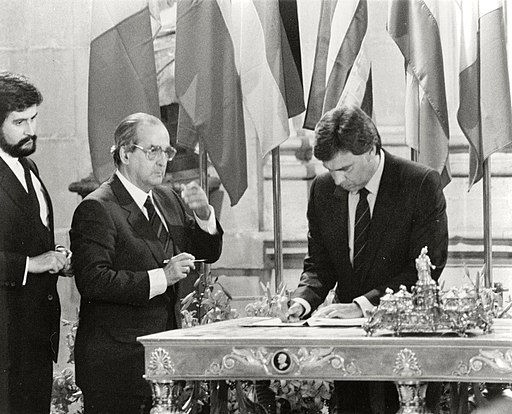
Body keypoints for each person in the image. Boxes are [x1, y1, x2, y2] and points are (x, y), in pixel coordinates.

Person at [287, 105, 448, 414]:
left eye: (345, 168)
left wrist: (361, 305)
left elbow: (426, 269)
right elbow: (319, 266)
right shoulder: (322, 190)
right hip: (349, 353)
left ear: (372, 148)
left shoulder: (420, 183)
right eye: (330, 169)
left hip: (404, 345)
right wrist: (302, 301)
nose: (336, 179)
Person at [70, 112, 223, 414]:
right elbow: (92, 280)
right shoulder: (97, 207)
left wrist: (205, 216)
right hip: (116, 367)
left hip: (162, 360)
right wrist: (161, 277)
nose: (162, 160)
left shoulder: (167, 199)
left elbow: (204, 254)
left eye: (166, 151)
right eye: (152, 150)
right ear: (126, 153)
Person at [0, 71, 72, 414]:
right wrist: (32, 264)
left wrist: (56, 257)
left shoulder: (29, 167)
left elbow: (32, 236)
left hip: (35, 336)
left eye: (34, 118)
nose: (31, 130)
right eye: (19, 122)